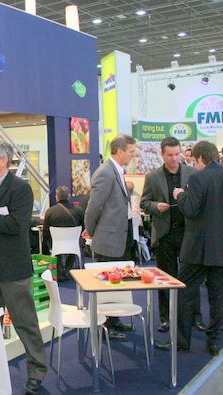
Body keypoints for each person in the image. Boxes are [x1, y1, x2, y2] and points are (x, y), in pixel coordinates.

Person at [0, 141, 47, 395]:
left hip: (13, 268)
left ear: (4, 161)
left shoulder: (20, 188)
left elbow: (17, 225)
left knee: (25, 322)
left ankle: (37, 371)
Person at [155, 141, 223, 355]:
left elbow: (191, 210)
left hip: (197, 249)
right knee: (218, 298)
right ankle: (214, 341)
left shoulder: (197, 178)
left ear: (200, 158)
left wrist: (180, 195)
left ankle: (181, 341)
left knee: (184, 294)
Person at [140, 137, 205, 334]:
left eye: (177, 154)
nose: (174, 158)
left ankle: (194, 317)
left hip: (189, 232)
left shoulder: (192, 173)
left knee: (191, 278)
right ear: (162, 154)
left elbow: (200, 201)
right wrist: (155, 207)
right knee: (165, 278)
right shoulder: (153, 177)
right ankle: (166, 318)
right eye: (170, 155)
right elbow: (144, 203)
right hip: (165, 234)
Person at [84, 134, 137, 341]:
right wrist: (90, 230)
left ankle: (114, 320)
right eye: (131, 152)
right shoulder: (105, 173)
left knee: (118, 282)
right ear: (120, 151)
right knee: (106, 284)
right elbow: (94, 206)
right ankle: (105, 325)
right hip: (108, 239)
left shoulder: (117, 171)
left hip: (120, 237)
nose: (133, 155)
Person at [42, 185, 85, 281]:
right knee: (75, 242)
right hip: (74, 245)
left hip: (57, 245)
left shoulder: (50, 212)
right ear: (69, 196)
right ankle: (68, 268)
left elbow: (45, 233)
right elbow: (83, 229)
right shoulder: (79, 211)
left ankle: (60, 270)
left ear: (56, 197)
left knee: (55, 242)